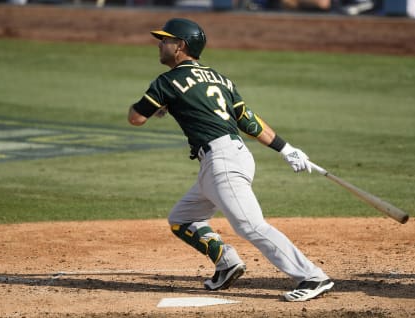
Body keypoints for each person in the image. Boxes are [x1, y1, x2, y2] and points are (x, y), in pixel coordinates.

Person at [127, 18, 334, 302]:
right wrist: (286, 149)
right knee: (183, 218)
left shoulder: (167, 81)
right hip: (229, 159)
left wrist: (160, 104)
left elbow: (136, 118)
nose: (160, 44)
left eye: (166, 40)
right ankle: (226, 261)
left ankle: (311, 276)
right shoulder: (221, 79)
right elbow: (248, 121)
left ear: (181, 46)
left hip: (221, 162)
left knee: (250, 225)